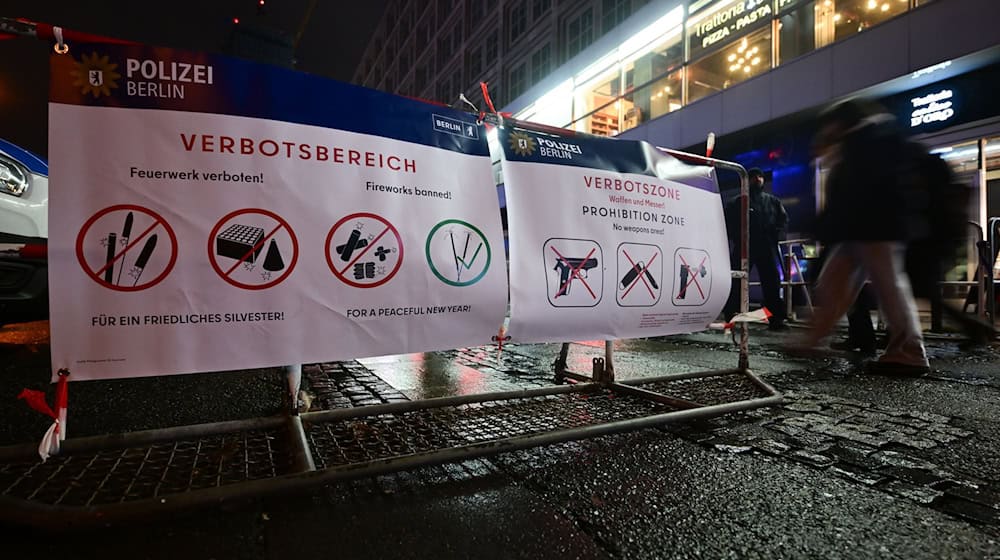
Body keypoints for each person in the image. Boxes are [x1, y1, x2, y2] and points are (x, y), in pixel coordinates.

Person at [795, 98, 929, 375]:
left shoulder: (867, 141)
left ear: (841, 122)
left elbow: (853, 191)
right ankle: (812, 338)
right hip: (863, 229)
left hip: (876, 228)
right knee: (834, 283)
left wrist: (820, 226)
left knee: (888, 287)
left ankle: (910, 351)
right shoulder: (868, 140)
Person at [724, 167, 789, 330]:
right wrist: (738, 236)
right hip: (745, 245)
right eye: (754, 176)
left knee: (771, 282)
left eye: (760, 176)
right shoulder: (737, 201)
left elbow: (783, 220)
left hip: (765, 245)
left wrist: (775, 235)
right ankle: (732, 315)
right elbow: (727, 223)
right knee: (737, 280)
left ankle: (776, 317)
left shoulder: (772, 201)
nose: (758, 179)